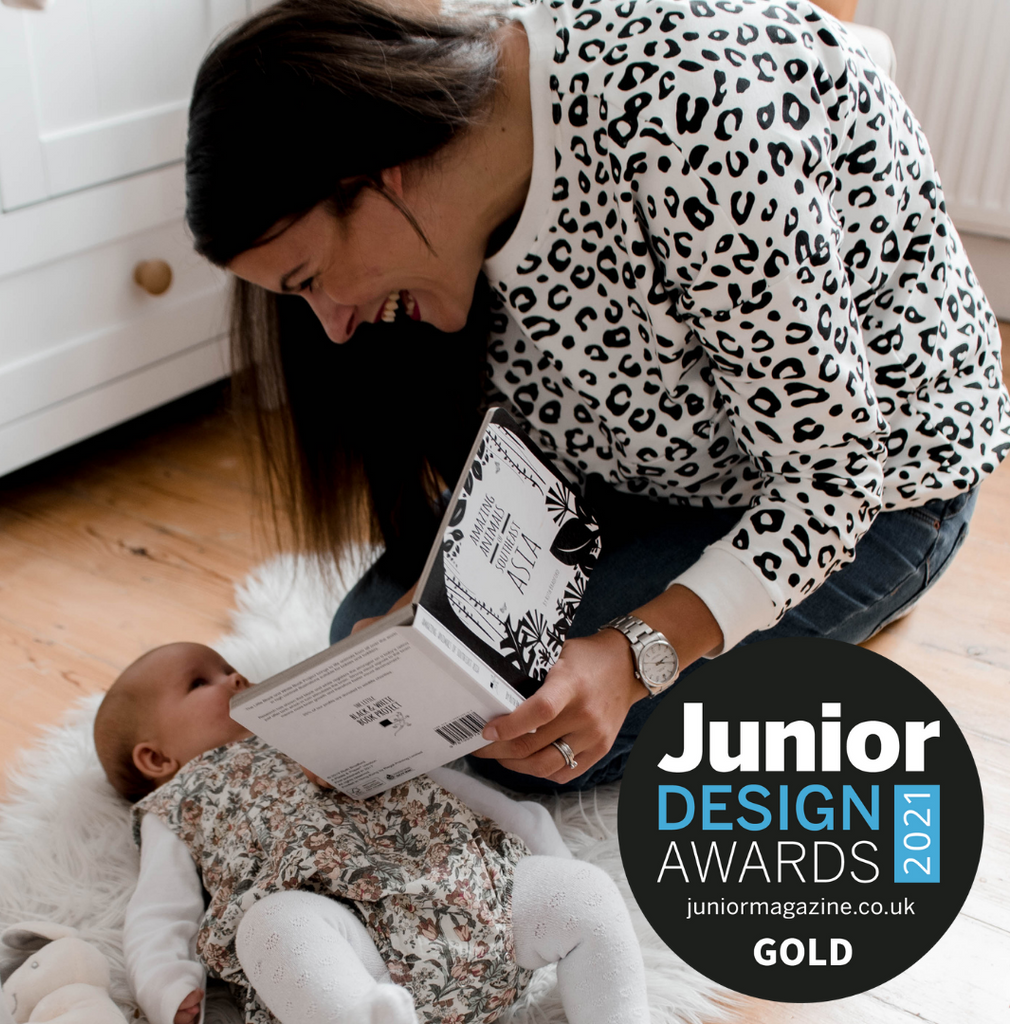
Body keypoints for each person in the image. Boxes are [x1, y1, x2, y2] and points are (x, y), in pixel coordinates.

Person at [183, 0, 1010, 794]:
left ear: (376, 171)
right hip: (647, 473)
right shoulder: (474, 162)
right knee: (376, 651)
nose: (332, 326)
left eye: (310, 280)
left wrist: (630, 658)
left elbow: (833, 476)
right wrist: (426, 605)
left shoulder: (693, 125)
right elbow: (537, 441)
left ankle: (865, 595)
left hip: (869, 495)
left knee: (524, 736)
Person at [94, 642, 650, 1024]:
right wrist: (167, 986)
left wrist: (539, 847)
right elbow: (157, 911)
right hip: (354, 956)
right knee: (269, 925)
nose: (234, 678)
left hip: (466, 904)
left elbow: (435, 778)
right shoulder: (178, 800)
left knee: (584, 897)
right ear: (156, 758)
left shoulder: (317, 728)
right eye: (202, 682)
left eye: (228, 667)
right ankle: (359, 1014)